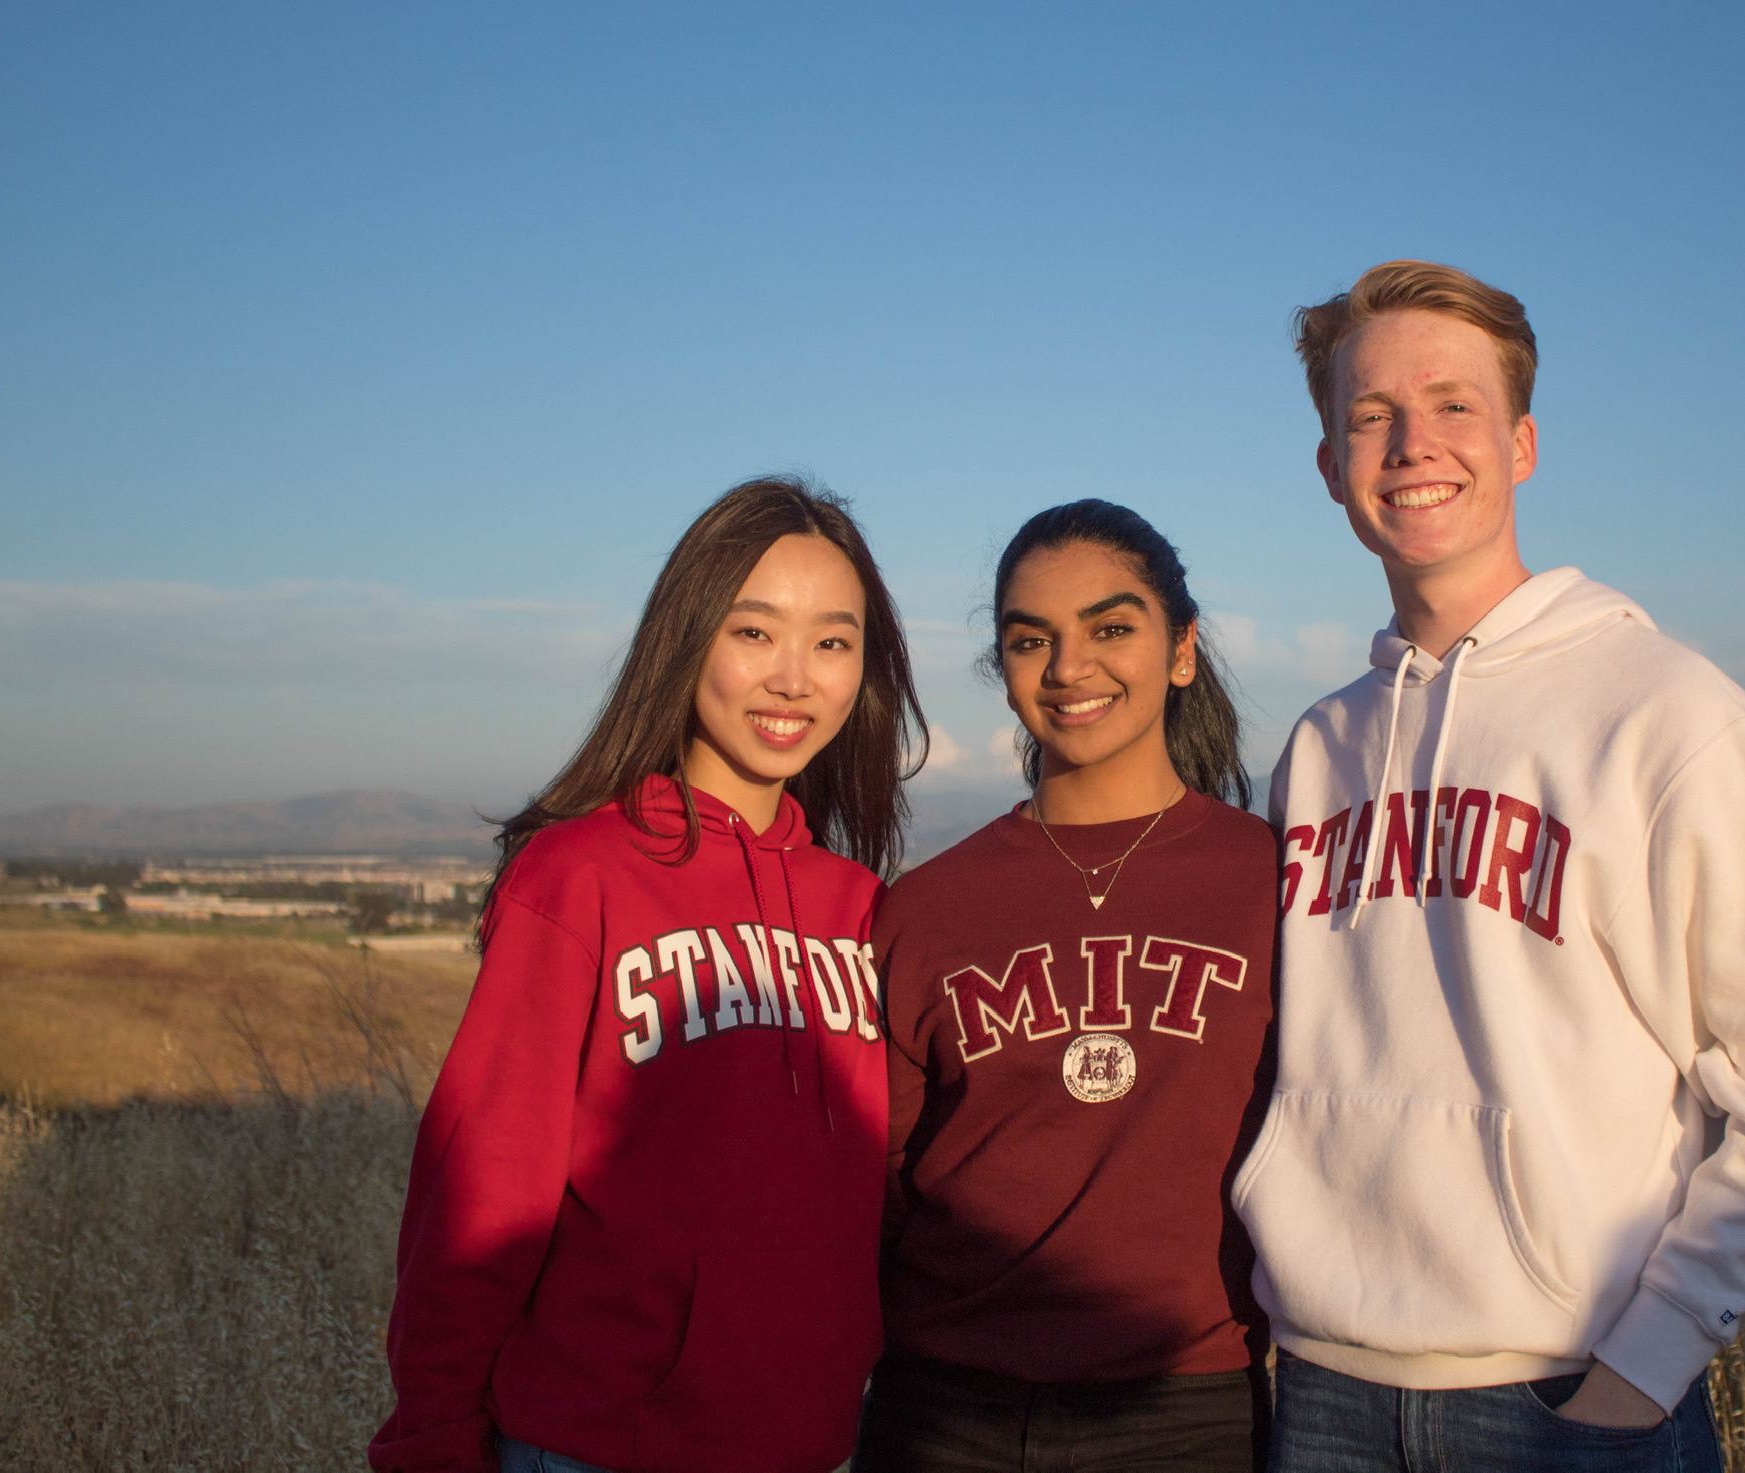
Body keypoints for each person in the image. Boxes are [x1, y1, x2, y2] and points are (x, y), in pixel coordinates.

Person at [1231, 261, 1745, 1472]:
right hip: (1324, 1391)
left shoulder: (1667, 717)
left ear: (1522, 442)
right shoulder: (1319, 747)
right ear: (1329, 466)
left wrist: (1647, 1364)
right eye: (1369, 415)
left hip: (1563, 1396)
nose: (1410, 444)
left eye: (1452, 405)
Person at [369, 478, 927, 1473]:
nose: (794, 678)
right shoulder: (578, 876)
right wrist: (433, 1436)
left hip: (810, 1446)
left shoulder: (858, 907)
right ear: (687, 637)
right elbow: (483, 1186)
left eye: (833, 642)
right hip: (600, 1442)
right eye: (754, 632)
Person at [856, 500, 1278, 1473]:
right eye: (1029, 639)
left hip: (1187, 1409)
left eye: (1110, 628)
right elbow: (873, 1186)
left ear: (1182, 651)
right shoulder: (924, 908)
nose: (1068, 668)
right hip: (945, 1410)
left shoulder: (1272, 881)